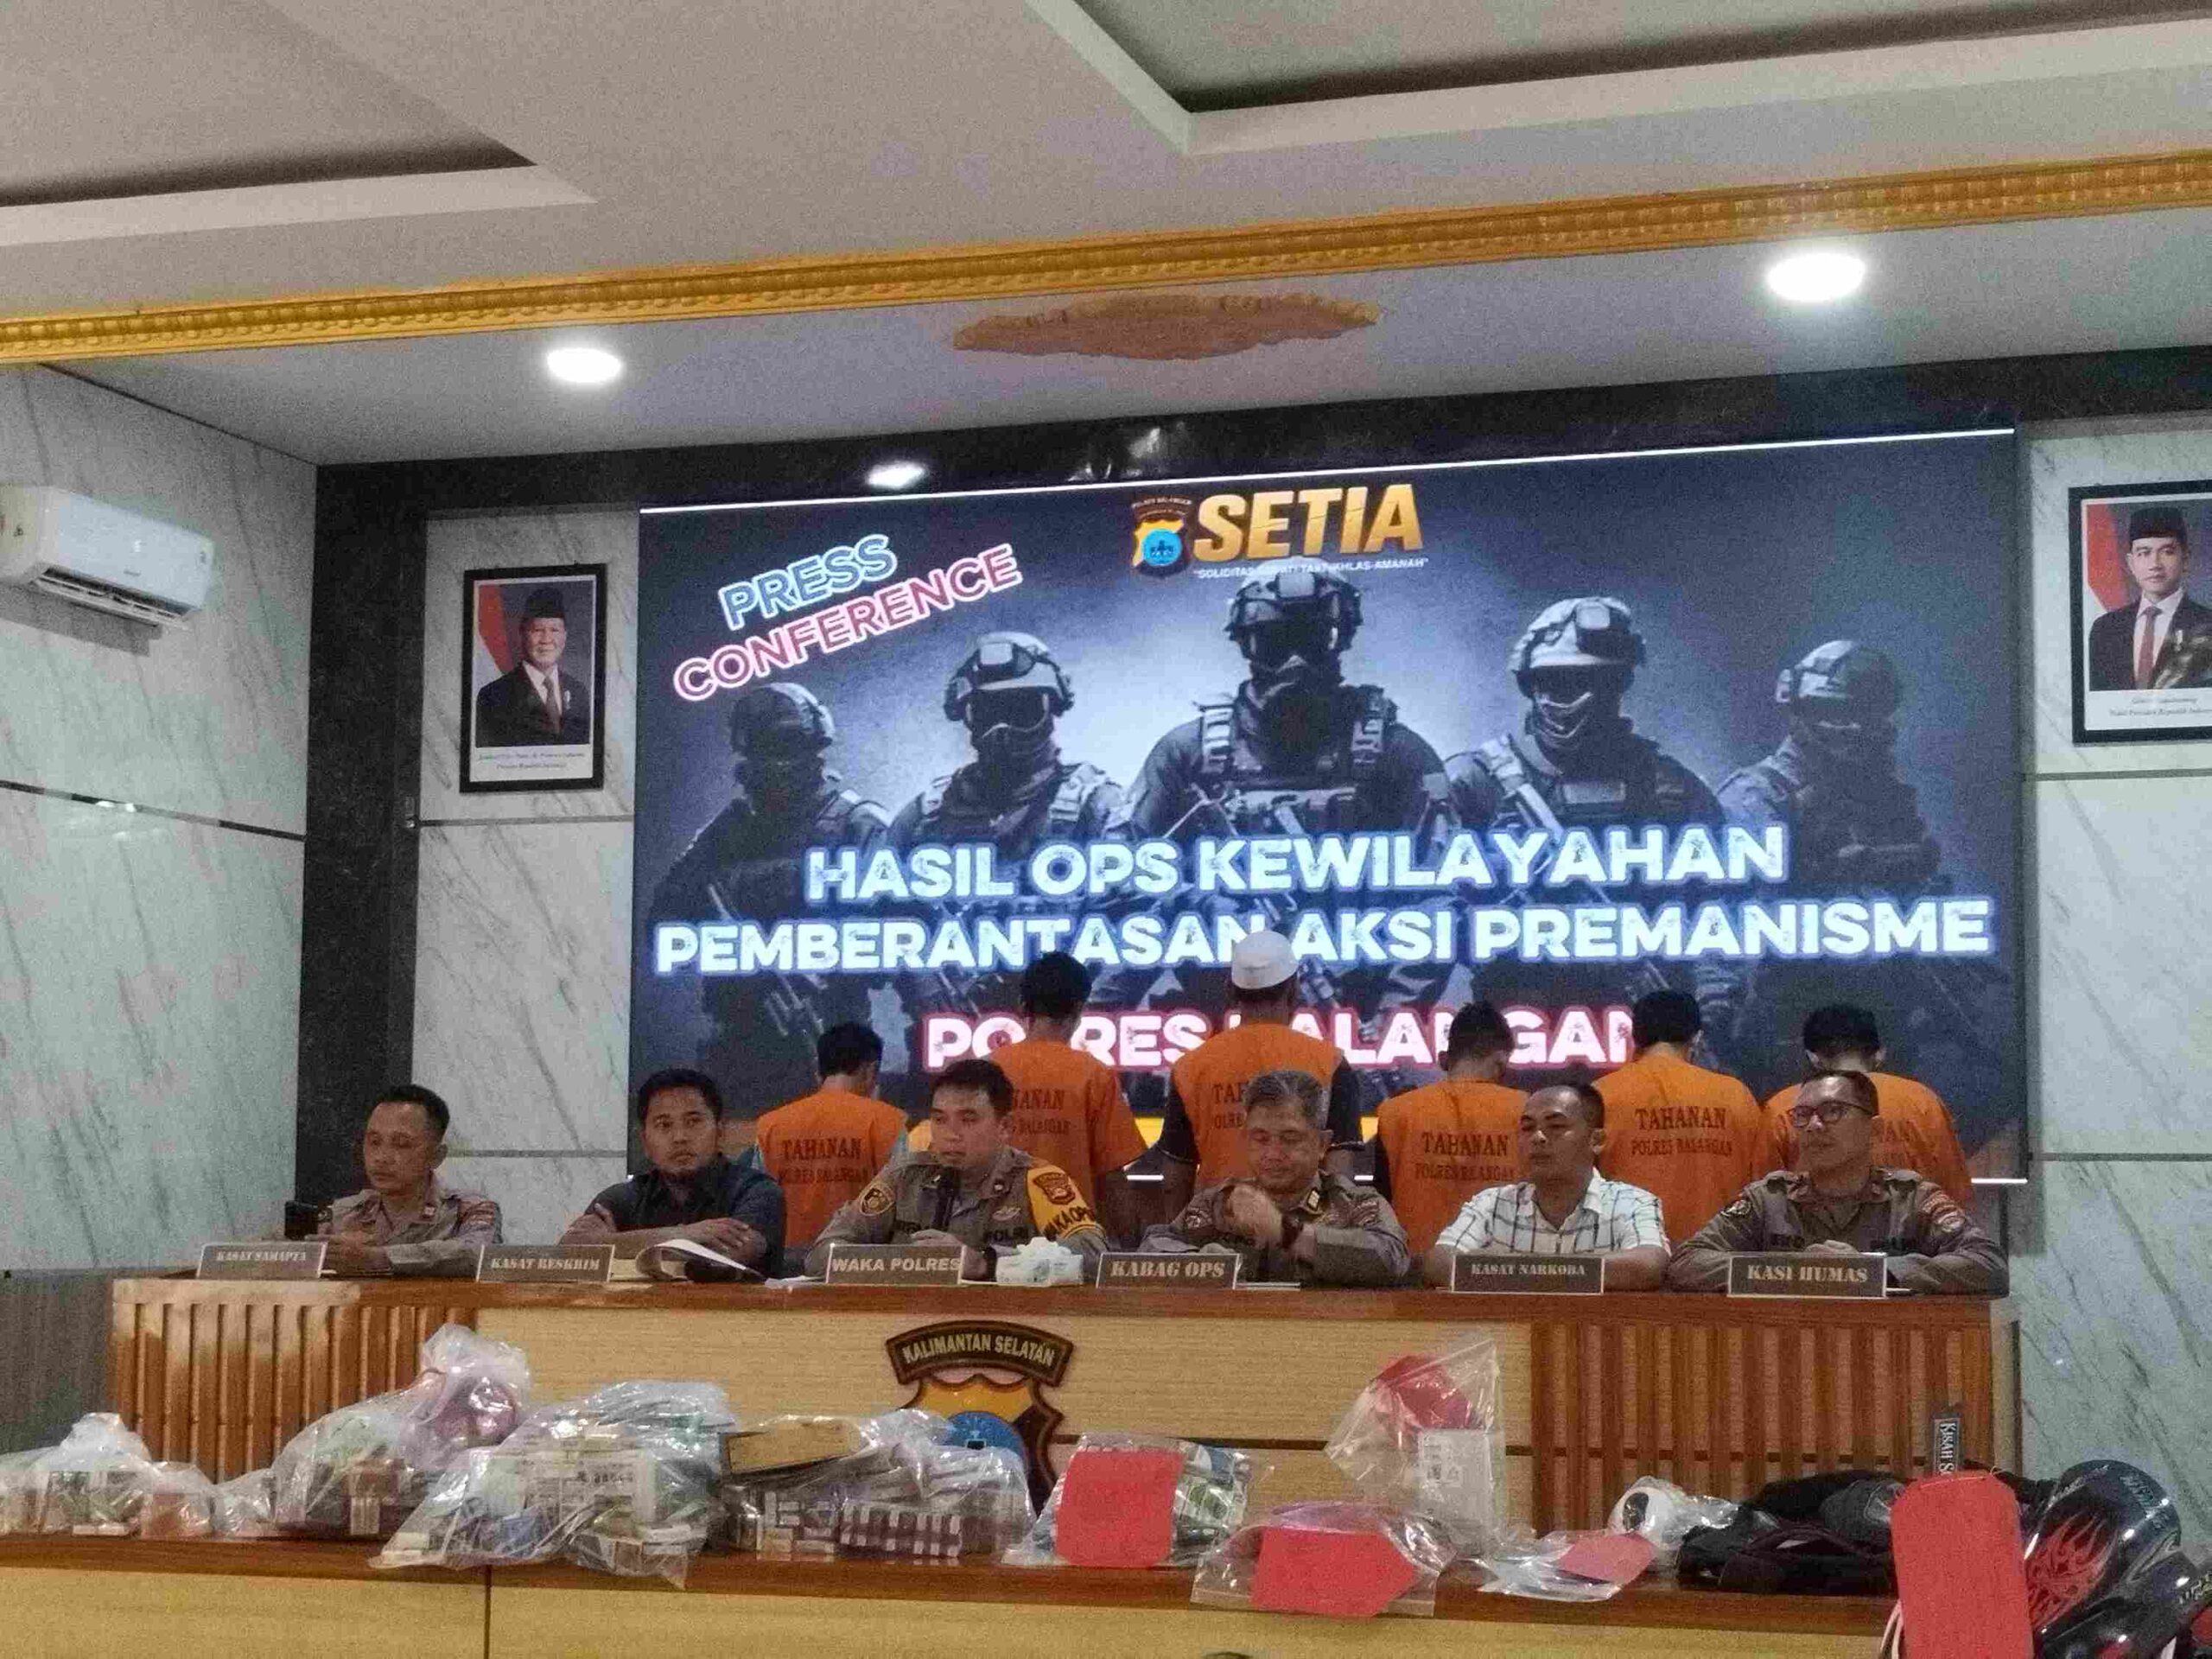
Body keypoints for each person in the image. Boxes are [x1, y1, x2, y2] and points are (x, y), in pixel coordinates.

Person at [1107, 559, 1451, 1026]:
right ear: (1247, 644)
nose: (1295, 663)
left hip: (1358, 1009)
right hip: (1219, 1011)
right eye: (1275, 643)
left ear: (1340, 640)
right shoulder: (1189, 753)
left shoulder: (1394, 752)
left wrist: (1394, 1020)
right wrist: (1197, 903)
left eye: (1312, 641)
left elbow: (1444, 894)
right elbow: (1118, 876)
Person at [1446, 595, 1724, 1016]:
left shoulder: (1670, 789)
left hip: (1643, 1012)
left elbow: (1720, 907)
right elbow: (1432, 913)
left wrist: (1714, 997)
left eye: (1595, 682)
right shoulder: (1477, 781)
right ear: (1530, 686)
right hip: (1523, 1013)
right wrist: (1519, 922)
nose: (1575, 699)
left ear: (1618, 686)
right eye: (1556, 682)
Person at [646, 681, 887, 1109]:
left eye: (787, 744)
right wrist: (737, 948)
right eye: (763, 748)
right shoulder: (727, 832)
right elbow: (662, 923)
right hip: (742, 1045)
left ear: (814, 746)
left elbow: (894, 937)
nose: (776, 761)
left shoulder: (858, 824)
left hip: (833, 1036)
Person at [1667, 1071, 2007, 1294]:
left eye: (1832, 1111)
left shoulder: (1912, 1198)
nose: (1814, 1126)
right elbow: (1687, 1264)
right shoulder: (1768, 1199)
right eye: (1802, 1116)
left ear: (1873, 1130)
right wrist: (1791, 1270)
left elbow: (1988, 1264)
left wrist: (1871, 1271)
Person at [804, 1058, 1109, 1278]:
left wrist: (985, 1263)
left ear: (1005, 1127)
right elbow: (821, 1254)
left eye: (968, 1119)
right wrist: (901, 1263)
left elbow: (1095, 1256)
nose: (951, 1134)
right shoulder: (904, 1176)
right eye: (939, 1119)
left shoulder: (1037, 1180)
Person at [1155, 929, 1364, 1219]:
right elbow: (1341, 1175)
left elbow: (1175, 1179)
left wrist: (1178, 1235)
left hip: (1215, 1232)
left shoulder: (1191, 1068)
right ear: (1294, 989)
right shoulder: (1330, 1063)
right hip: (1303, 1234)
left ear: (1231, 991)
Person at [1141, 1069, 1411, 1286]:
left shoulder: (1354, 1204)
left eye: (1289, 1139)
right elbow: (1152, 1247)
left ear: (1322, 1144)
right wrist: (1200, 1263)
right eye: (1260, 1139)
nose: (1272, 1154)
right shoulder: (1220, 1203)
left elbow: (1391, 1259)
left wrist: (1286, 1233)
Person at [1422, 1082, 1669, 1290]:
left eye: (1556, 1126)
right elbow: (1439, 1263)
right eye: (1528, 1128)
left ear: (1596, 1140)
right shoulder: (1492, 1203)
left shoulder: (1631, 1203)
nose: (1538, 1137)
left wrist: (1511, 1270)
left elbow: (1648, 1265)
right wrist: (1559, 1273)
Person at [976, 952, 1147, 1243]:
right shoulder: (1094, 1074)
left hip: (990, 1235)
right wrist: (1132, 1245)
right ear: (1079, 1008)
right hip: (1070, 1237)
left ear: (1022, 1006)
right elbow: (1112, 1179)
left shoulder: (985, 1069)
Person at [563, 1068, 785, 1269]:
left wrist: (608, 1244)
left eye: (693, 1122)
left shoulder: (756, 1192)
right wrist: (684, 1234)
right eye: (664, 1125)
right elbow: (568, 1256)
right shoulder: (621, 1199)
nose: (680, 1137)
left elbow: (719, 1260)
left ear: (720, 1132)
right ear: (645, 1142)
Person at [1758, 1004, 1974, 1207]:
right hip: (1909, 1231)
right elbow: (1954, 1193)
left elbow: (1766, 1198)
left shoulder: (1784, 1107)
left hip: (1813, 1232)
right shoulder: (1923, 1102)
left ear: (1813, 1058)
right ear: (1880, 1054)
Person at [1594, 989, 1764, 1239]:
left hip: (1629, 1250)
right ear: (1696, 1037)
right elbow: (1760, 1184)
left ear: (1635, 1036)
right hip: (1719, 1251)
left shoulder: (1600, 1095)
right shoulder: (1737, 1095)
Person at [1371, 1001, 1526, 1255]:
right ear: (1501, 1061)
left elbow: (1378, 1204)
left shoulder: (1395, 1113)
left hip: (1413, 1266)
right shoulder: (1529, 1112)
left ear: (1444, 1059)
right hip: (1501, 1267)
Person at [752, 1023, 908, 1265]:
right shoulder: (889, 1121)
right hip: (857, 1260)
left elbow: (758, 1203)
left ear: (819, 1067)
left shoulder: (770, 1125)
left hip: (783, 1261)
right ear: (871, 1069)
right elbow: (903, 1198)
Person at [317, 1084, 502, 1277]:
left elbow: (479, 1254)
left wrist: (379, 1258)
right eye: (374, 1142)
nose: (382, 1157)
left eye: (401, 1144)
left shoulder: (468, 1210)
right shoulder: (343, 1214)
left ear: (437, 1156)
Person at [2087, 506, 2212, 690]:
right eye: (2144, 553)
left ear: (2185, 560)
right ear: (2131, 563)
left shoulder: (2208, 624)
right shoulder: (2105, 629)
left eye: (2167, 552)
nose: (2155, 564)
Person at [474, 585, 591, 747]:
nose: (546, 639)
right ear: (522, 634)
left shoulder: (579, 693)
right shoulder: (493, 696)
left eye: (554, 630)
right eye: (537, 630)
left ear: (565, 636)